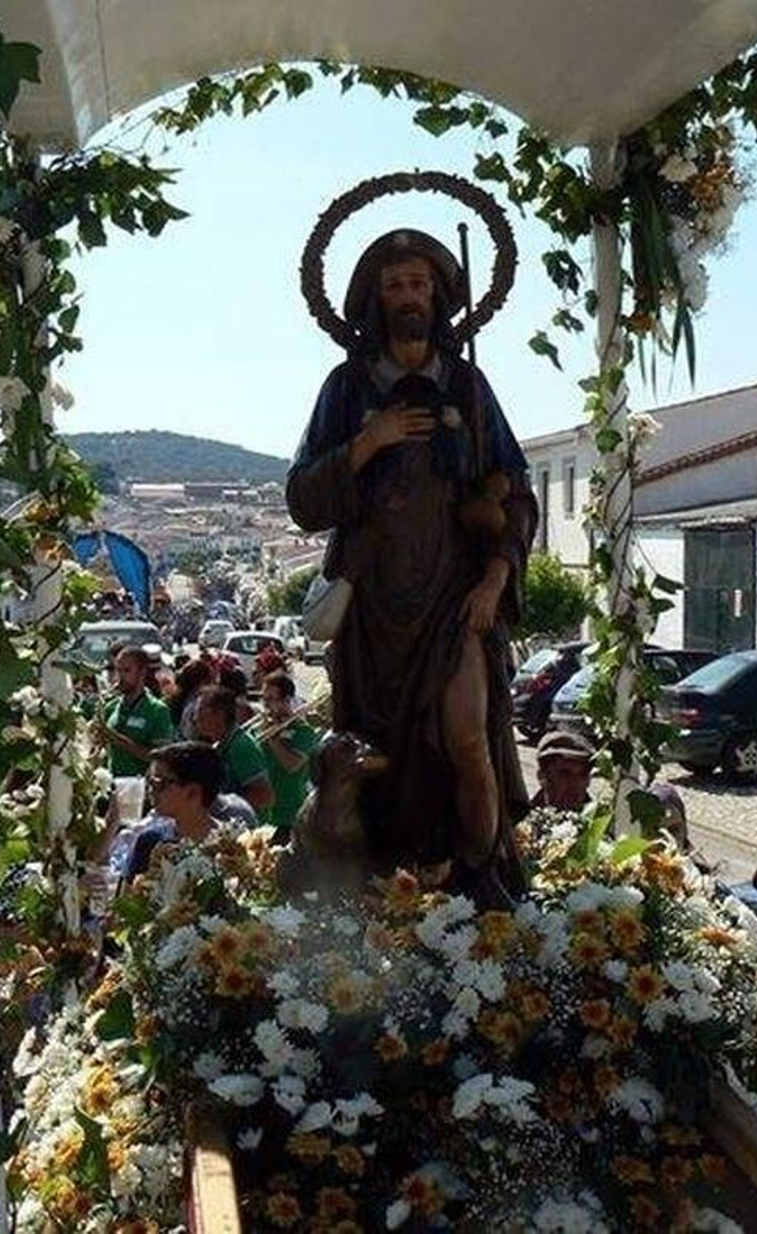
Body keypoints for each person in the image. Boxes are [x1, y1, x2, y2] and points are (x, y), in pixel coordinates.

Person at [287, 228, 537, 903]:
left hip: (454, 601)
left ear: (439, 296)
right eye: (395, 285)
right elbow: (304, 497)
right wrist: (368, 443)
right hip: (373, 613)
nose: (408, 297)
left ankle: (485, 886)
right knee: (373, 763)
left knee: (468, 742)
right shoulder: (347, 389)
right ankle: (379, 889)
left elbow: (515, 494)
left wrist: (494, 579)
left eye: (419, 284)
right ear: (375, 297)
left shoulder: (467, 385)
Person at [107, 742, 245, 885]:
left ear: (193, 792)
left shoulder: (231, 847)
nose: (150, 790)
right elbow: (125, 902)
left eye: (159, 784)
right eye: (149, 782)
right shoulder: (150, 841)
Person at [97, 645, 176, 779]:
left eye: (126, 671)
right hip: (113, 787)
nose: (119, 677)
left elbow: (159, 758)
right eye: (118, 670)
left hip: (141, 789)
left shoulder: (157, 710)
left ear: (142, 672)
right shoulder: (110, 707)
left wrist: (115, 738)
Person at [191, 685, 274, 813]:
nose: (195, 718)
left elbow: (264, 796)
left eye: (200, 710)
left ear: (219, 714)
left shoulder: (241, 746)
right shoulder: (221, 744)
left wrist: (219, 805)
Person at [255, 671, 319, 833]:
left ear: (286, 700)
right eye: (264, 699)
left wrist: (272, 738)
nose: (265, 705)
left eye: (270, 699)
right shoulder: (259, 728)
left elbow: (291, 765)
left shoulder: (303, 731)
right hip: (263, 814)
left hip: (290, 815)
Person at [531, 730, 593, 813]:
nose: (574, 783)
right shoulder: (522, 819)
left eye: (582, 774)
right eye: (565, 773)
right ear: (542, 777)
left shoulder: (601, 821)